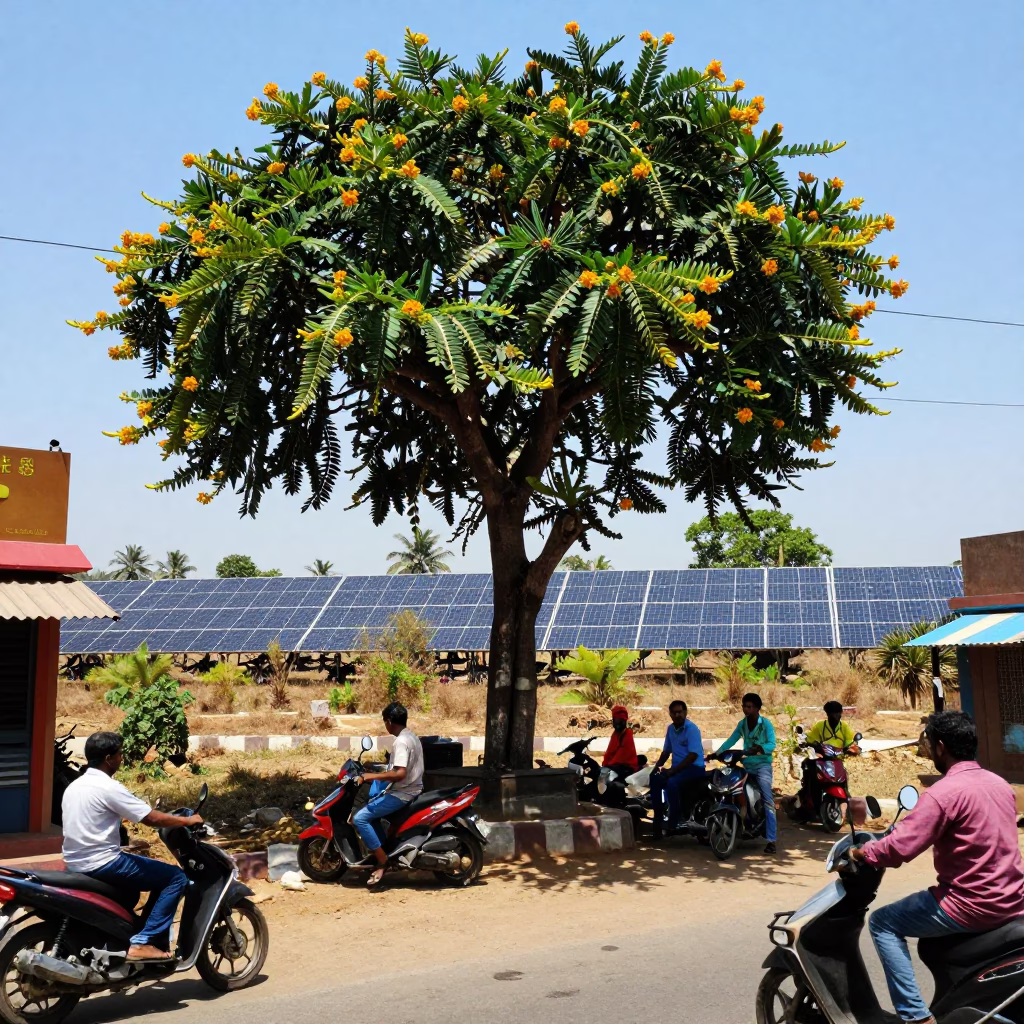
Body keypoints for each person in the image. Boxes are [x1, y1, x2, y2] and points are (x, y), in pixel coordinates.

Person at [849, 711, 1024, 1024]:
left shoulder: (944, 793)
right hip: (1012, 900)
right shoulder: (1000, 785)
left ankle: (917, 1017)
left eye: (929, 745)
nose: (929, 751)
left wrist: (865, 853)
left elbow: (900, 847)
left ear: (941, 747)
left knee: (883, 923)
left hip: (970, 904)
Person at [62, 732, 203, 962]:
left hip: (74, 862)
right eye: (119, 754)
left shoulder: (74, 786)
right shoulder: (107, 787)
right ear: (108, 758)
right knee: (175, 877)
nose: (122, 759)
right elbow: (151, 818)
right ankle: (143, 942)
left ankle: (136, 935)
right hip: (102, 862)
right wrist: (187, 821)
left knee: (150, 879)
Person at [352, 701, 424, 888]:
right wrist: (378, 769)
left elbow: (400, 773)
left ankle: (382, 861)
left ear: (390, 721)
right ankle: (384, 850)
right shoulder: (411, 737)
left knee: (360, 818)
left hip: (402, 793)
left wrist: (370, 776)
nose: (386, 725)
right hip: (413, 788)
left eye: (385, 721)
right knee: (373, 813)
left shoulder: (401, 741)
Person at [710, 693, 778, 855]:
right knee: (731, 787)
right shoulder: (742, 724)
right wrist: (717, 753)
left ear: (757, 708)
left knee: (768, 800)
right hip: (746, 765)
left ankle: (771, 840)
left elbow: (772, 744)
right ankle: (742, 817)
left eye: (749, 706)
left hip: (762, 766)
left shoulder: (766, 724)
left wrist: (760, 749)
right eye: (744, 706)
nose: (745, 709)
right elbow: (731, 740)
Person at [650, 700, 705, 838]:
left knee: (671, 783)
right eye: (674, 712)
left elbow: (693, 756)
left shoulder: (692, 729)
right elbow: (666, 752)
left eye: (680, 712)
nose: (677, 715)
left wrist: (672, 771)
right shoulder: (670, 729)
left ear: (685, 713)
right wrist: (655, 768)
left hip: (694, 768)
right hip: (678, 769)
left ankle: (676, 821)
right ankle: (657, 823)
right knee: (655, 779)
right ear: (670, 714)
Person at [800, 700, 859, 814]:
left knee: (844, 779)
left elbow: (849, 742)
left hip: (836, 760)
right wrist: (811, 744)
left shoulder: (844, 727)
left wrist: (853, 748)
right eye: (832, 713)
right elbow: (811, 739)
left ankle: (845, 798)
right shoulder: (820, 726)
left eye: (838, 713)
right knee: (810, 770)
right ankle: (808, 795)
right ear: (827, 714)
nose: (836, 716)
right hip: (822, 759)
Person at [602, 705, 639, 775]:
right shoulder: (615, 734)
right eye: (616, 721)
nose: (618, 724)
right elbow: (609, 752)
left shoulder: (627, 734)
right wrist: (605, 763)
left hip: (626, 767)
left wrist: (608, 765)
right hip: (615, 765)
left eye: (620, 722)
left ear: (625, 722)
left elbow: (622, 756)